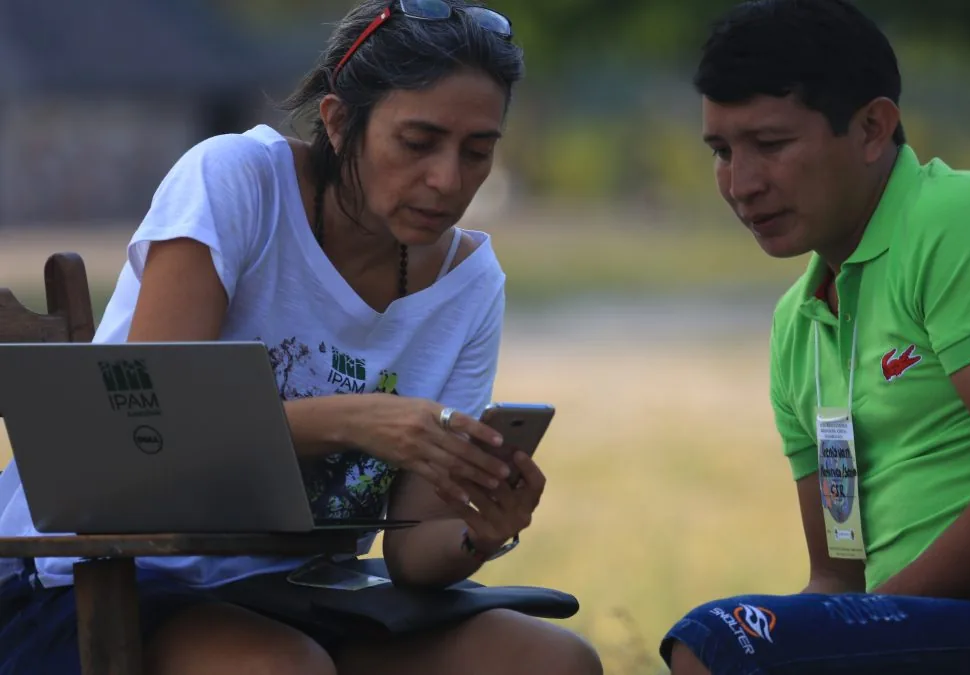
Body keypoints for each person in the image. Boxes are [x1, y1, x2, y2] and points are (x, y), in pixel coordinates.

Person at [0, 1, 602, 673]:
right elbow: (148, 435)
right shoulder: (238, 181)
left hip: (297, 594)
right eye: (419, 142)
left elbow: (413, 548)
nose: (448, 180)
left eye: (478, 152)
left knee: (551, 660)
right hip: (99, 571)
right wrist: (355, 420)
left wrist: (479, 532)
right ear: (340, 122)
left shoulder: (469, 283)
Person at [662, 0, 970, 673]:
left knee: (723, 635)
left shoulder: (960, 220)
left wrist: (865, 625)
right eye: (720, 151)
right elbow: (837, 575)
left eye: (770, 145)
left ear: (871, 128)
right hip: (921, 627)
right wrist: (846, 626)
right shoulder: (798, 326)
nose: (741, 184)